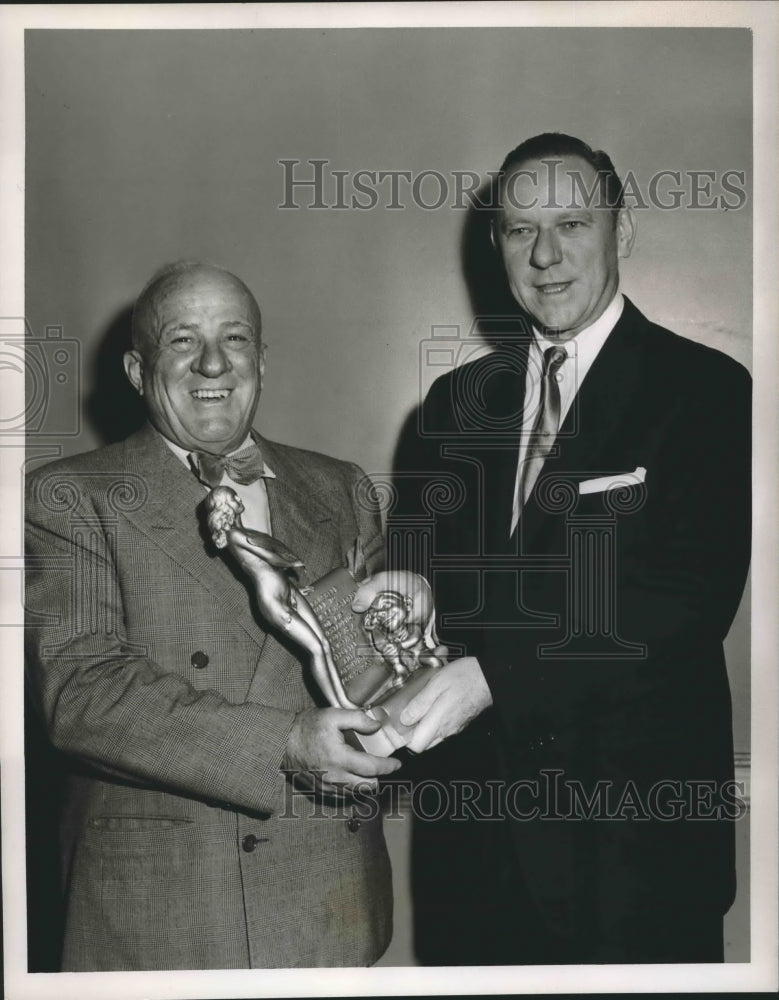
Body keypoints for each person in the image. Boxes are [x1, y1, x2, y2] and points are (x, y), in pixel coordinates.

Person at [356, 133, 751, 964]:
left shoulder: (707, 392)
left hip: (633, 862)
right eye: (516, 230)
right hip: (475, 862)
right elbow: (430, 587)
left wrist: (496, 677)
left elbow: (683, 601)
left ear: (621, 230)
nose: (543, 255)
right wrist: (402, 593)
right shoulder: (454, 404)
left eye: (571, 223)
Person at [24, 261, 400, 971]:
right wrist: (284, 744)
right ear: (137, 371)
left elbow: (372, 673)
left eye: (234, 338)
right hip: (163, 917)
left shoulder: (342, 486)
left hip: (330, 905)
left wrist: (415, 654)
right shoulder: (71, 496)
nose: (212, 363)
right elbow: (84, 696)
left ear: (261, 360)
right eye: (182, 341)